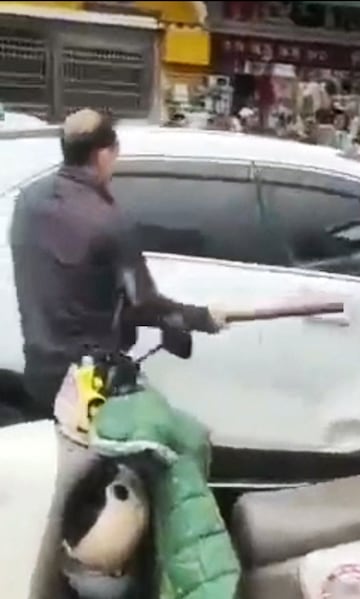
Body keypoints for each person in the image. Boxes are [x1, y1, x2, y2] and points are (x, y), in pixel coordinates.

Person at [9, 109, 227, 421]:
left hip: (38, 372)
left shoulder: (27, 201)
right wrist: (203, 317)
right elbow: (144, 303)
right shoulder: (107, 221)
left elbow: (71, 280)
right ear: (103, 154)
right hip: (88, 383)